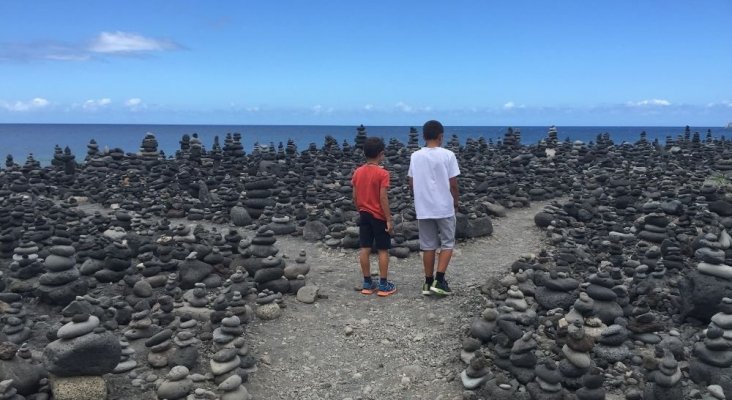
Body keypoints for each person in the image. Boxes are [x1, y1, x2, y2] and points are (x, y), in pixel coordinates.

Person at [408, 120, 460, 296]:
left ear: (423, 136)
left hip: (424, 207)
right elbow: (453, 183)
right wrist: (456, 201)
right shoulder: (448, 155)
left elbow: (411, 182)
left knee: (428, 245)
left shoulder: (415, 156)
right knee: (447, 243)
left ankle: (427, 282)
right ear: (441, 136)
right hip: (444, 206)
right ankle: (440, 279)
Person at [351, 137, 397, 297]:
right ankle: (383, 285)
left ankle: (367, 282)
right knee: (383, 249)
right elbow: (383, 197)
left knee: (365, 248)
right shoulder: (383, 173)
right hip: (378, 215)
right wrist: (388, 219)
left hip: (364, 213)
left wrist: (360, 209)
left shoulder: (357, 171)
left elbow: (355, 196)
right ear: (381, 154)